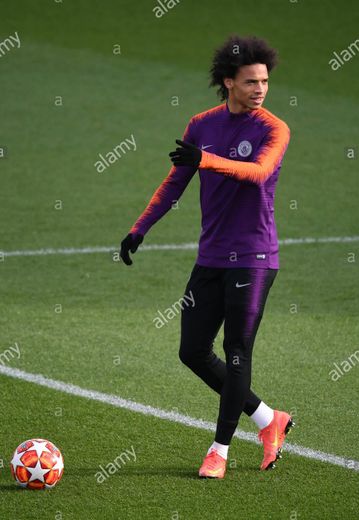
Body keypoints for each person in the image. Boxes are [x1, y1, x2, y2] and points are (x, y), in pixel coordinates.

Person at [120, 35, 294, 479]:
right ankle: (268, 419)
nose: (260, 89)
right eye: (251, 81)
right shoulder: (202, 124)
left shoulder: (273, 129)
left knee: (237, 350)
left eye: (265, 81)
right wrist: (140, 228)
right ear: (228, 82)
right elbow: (174, 182)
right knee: (193, 350)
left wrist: (208, 161)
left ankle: (219, 450)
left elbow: (257, 174)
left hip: (255, 256)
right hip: (212, 256)